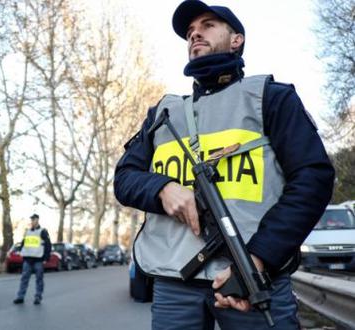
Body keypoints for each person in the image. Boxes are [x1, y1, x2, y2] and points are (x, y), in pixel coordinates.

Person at [113, 1, 335, 329]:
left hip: (254, 277)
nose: (195, 34)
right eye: (189, 32)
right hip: (175, 284)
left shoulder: (271, 98)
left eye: (207, 25)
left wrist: (258, 259)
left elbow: (313, 179)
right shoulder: (163, 113)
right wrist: (162, 188)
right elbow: (125, 177)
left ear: (236, 40)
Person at [13, 213, 52, 305]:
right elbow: (24, 243)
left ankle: (38, 296)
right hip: (28, 259)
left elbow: (48, 245)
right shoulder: (27, 232)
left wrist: (46, 258)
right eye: (31, 219)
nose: (32, 221)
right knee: (24, 278)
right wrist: (20, 251)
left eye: (34, 219)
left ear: (38, 220)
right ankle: (20, 297)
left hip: (38, 259)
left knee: (39, 279)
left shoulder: (43, 231)